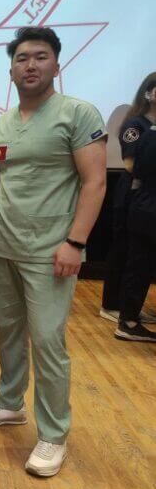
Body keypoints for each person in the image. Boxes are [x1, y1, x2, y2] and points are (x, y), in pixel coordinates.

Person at [0, 27, 107, 477]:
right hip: (2, 244)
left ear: (56, 64)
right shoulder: (4, 122)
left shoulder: (77, 113)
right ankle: (10, 402)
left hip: (51, 250)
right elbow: (4, 174)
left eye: (40, 57)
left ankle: (53, 434)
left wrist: (75, 242)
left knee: (48, 341)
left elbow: (94, 182)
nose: (30, 65)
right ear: (10, 70)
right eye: (22, 58)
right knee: (8, 331)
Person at [100, 73, 156, 329]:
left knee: (138, 256)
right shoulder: (135, 124)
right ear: (148, 93)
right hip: (132, 194)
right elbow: (130, 164)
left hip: (147, 195)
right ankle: (111, 305)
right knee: (123, 249)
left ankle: (128, 306)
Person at [115, 90, 156, 342]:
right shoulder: (144, 130)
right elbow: (135, 168)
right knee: (138, 264)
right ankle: (128, 320)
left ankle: (129, 318)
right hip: (146, 207)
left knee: (140, 265)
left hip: (145, 205)